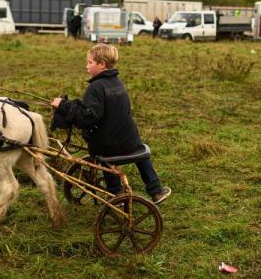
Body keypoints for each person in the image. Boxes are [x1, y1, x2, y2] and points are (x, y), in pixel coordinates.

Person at [50, 44, 171, 204]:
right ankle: (156, 189)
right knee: (140, 149)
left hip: (110, 147)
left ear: (102, 64)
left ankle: (116, 193)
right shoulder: (118, 83)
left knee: (104, 155)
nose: (87, 66)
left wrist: (63, 105)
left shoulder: (96, 87)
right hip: (131, 141)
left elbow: (88, 118)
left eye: (90, 62)